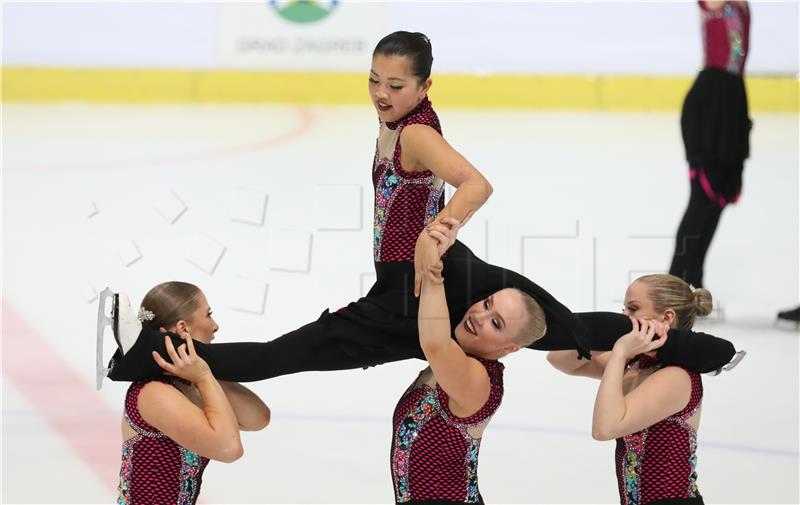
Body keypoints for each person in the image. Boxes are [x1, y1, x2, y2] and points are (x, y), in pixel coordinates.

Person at [106, 32, 740, 387]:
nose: (382, 94)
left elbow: (475, 183)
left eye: (397, 85)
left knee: (281, 356)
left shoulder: (416, 132)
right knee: (568, 325)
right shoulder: (398, 124)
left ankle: (147, 357)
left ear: (423, 87)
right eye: (375, 80)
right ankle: (699, 349)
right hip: (423, 280)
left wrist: (435, 234)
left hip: (422, 284)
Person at [391, 217, 546, 503]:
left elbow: (435, 343)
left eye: (496, 323)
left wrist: (432, 273)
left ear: (510, 348)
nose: (479, 316)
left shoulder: (480, 381)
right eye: (487, 304)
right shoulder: (460, 356)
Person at [548, 274, 716, 504]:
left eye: (633, 309)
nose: (624, 316)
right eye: (624, 309)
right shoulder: (636, 364)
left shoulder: (676, 376)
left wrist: (619, 353)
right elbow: (559, 359)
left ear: (667, 317)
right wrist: (610, 338)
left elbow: (604, 429)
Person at [115, 282, 270, 504]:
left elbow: (258, 417)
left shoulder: (187, 384)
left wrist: (202, 372)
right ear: (183, 328)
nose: (215, 325)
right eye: (209, 315)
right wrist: (204, 376)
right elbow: (229, 448)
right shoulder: (153, 391)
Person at [669, 1, 751, 288]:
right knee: (701, 200)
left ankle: (693, 283)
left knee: (716, 199)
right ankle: (674, 282)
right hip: (711, 104)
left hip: (733, 101)